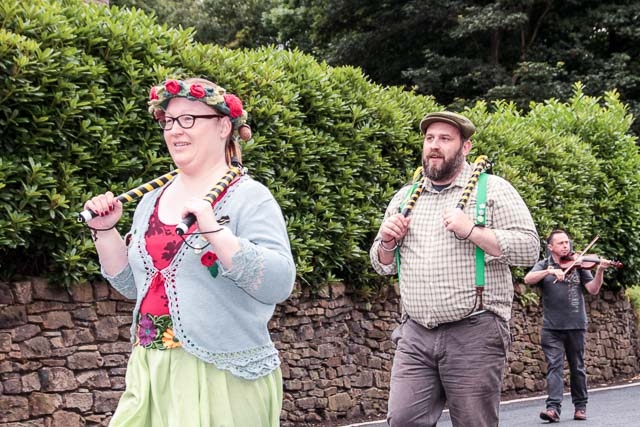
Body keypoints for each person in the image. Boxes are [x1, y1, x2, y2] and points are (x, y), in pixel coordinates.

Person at [82, 77, 296, 427]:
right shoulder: (149, 201)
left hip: (223, 374)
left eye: (188, 119)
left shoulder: (249, 196)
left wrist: (214, 230)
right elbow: (135, 287)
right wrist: (105, 233)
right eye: (168, 121)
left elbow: (278, 283)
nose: (174, 130)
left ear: (224, 127)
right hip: (150, 367)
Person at [369, 111, 540, 427]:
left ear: (466, 147)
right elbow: (381, 265)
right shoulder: (405, 198)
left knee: (474, 423)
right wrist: (388, 243)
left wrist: (473, 231)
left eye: (445, 139)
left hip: (475, 329)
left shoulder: (492, 190)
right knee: (403, 420)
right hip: (415, 332)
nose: (435, 146)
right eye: (430, 138)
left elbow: (529, 248)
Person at [524, 229, 613, 423]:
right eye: (561, 243)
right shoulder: (544, 264)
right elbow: (527, 279)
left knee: (577, 367)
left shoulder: (580, 264)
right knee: (554, 366)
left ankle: (580, 406)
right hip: (552, 327)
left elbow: (593, 289)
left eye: (567, 242)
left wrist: (600, 270)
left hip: (576, 324)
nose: (566, 246)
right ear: (550, 247)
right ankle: (553, 409)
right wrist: (549, 271)